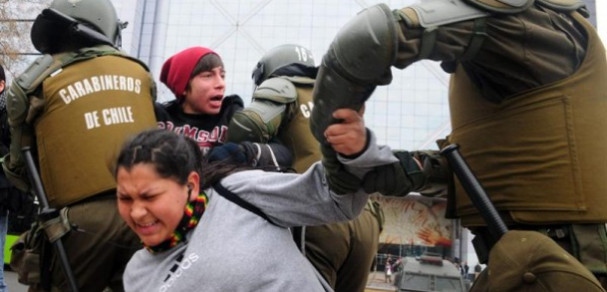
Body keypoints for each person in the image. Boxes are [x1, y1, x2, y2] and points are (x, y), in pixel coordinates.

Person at [310, 0, 607, 287]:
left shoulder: (531, 21)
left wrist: (337, 170)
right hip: (534, 255)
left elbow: (368, 37)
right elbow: (476, 170)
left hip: (559, 259)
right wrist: (364, 159)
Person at [113, 106, 394, 292]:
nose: (137, 213)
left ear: (190, 185)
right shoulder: (137, 275)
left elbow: (331, 198)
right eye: (125, 198)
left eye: (150, 196)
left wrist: (351, 151)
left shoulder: (234, 192)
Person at [0, 0, 157, 291]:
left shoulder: (38, 82)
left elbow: (22, 169)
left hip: (77, 223)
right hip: (145, 212)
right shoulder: (140, 73)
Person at [227, 44, 383, 292]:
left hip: (320, 216)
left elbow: (246, 128)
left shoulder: (284, 86)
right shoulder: (335, 97)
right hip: (367, 219)